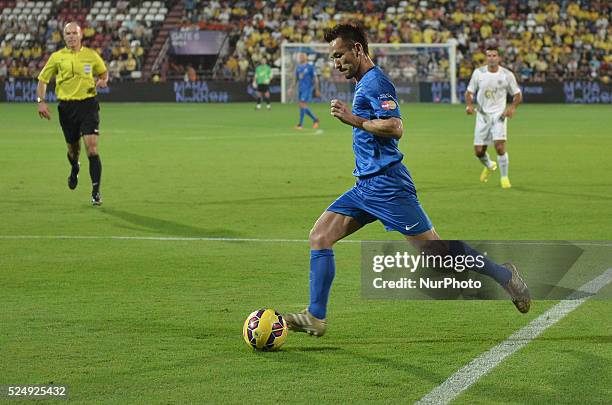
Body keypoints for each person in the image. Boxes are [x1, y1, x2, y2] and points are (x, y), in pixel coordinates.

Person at [284, 24, 530, 337]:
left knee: (437, 255)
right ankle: (315, 316)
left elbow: (395, 127)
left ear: (358, 49)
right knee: (319, 236)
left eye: (340, 55)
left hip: (388, 186)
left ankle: (504, 276)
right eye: (333, 57)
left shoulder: (376, 82)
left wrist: (353, 119)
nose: (336, 63)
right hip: (365, 187)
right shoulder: (363, 83)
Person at [37, 22, 108, 206]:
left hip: (88, 105)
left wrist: (102, 81)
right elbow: (43, 80)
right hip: (67, 109)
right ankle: (75, 167)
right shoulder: (57, 57)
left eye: (73, 33)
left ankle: (95, 192)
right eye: (67, 33)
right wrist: (41, 101)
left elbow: (103, 73)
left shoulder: (91, 55)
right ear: (64, 36)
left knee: (92, 147)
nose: (70, 36)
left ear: (80, 35)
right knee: (73, 151)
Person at [465, 46, 522, 189]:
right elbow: (469, 92)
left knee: (499, 147)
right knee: (479, 152)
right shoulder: (478, 73)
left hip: (499, 115)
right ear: (486, 58)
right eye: (489, 55)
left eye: (494, 55)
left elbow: (517, 94)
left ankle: (504, 177)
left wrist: (512, 108)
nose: (491, 58)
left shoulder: (507, 75)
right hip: (482, 116)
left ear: (499, 58)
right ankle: (490, 165)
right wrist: (469, 105)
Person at [290, 52, 319, 129]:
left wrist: (316, 89)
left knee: (302, 104)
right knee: (301, 106)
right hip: (300, 88)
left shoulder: (310, 67)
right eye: (300, 56)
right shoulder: (298, 67)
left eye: (302, 56)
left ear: (306, 57)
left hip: (307, 89)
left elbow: (315, 78)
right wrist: (291, 88)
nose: (301, 57)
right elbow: (295, 79)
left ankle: (300, 124)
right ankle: (315, 119)